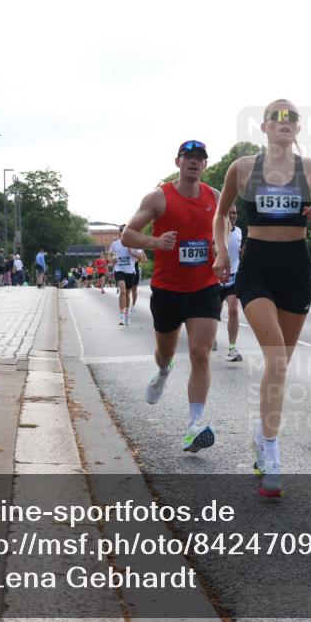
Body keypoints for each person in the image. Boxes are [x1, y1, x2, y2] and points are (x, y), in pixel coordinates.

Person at [213, 100, 311, 498]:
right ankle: (271, 453)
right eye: (276, 118)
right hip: (257, 269)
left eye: (291, 118)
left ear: (298, 128)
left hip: (296, 269)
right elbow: (221, 215)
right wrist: (221, 251)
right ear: (264, 126)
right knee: (278, 360)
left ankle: (259, 433)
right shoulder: (243, 168)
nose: (284, 123)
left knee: (280, 366)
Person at [122, 139, 221, 453]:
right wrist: (155, 242)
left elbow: (224, 224)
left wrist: (221, 251)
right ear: (178, 162)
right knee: (165, 352)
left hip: (204, 286)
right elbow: (127, 234)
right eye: (188, 157)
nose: (194, 162)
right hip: (168, 289)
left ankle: (194, 426)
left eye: (199, 158)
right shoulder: (159, 198)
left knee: (201, 353)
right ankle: (163, 372)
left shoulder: (214, 197)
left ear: (205, 165)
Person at [219, 205, 244, 361]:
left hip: (233, 278)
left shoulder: (240, 231)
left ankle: (232, 348)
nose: (233, 216)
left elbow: (238, 251)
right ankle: (211, 339)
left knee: (234, 310)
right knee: (213, 314)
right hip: (215, 279)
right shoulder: (216, 231)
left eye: (235, 213)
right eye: (230, 213)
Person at [110, 226, 145, 326]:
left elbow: (141, 258)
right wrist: (112, 259)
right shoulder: (115, 244)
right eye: (122, 232)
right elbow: (110, 255)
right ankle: (121, 316)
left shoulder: (135, 244)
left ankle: (126, 315)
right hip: (119, 270)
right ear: (120, 233)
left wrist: (131, 251)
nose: (124, 234)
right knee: (122, 291)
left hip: (130, 272)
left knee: (127, 295)